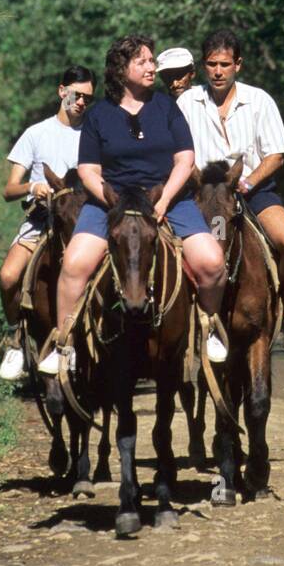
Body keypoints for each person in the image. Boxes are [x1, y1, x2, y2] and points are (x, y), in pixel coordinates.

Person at [39, 34, 229, 375]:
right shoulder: (99, 115)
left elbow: (185, 159)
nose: (152, 67)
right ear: (120, 68)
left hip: (166, 199)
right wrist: (110, 200)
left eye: (151, 61)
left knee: (213, 262)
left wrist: (165, 199)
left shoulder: (167, 107)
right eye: (142, 61)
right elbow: (88, 170)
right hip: (111, 202)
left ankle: (208, 326)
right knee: (74, 262)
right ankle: (64, 343)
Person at [177, 30, 284, 352]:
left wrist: (247, 182)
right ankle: (170, 319)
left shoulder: (259, 100)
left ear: (238, 64)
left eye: (225, 64)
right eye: (211, 64)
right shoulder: (187, 101)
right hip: (202, 194)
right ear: (203, 67)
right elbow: (179, 152)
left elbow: (276, 155)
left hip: (252, 190)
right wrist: (196, 179)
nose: (218, 71)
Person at [0, 65, 95, 380]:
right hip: (42, 219)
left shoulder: (95, 135)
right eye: (77, 95)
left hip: (84, 221)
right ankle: (16, 338)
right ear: (62, 91)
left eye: (88, 99)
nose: (81, 103)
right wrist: (32, 186)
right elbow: (8, 190)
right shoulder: (36, 133)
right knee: (9, 276)